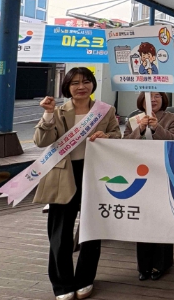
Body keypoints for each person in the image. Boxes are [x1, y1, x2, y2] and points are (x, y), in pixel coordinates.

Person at [34, 67, 121, 300]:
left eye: (86, 81)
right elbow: (41, 141)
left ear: (92, 84)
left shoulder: (105, 111)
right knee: (60, 232)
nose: (81, 87)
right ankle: (62, 284)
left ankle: (85, 279)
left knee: (92, 229)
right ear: (67, 87)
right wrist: (48, 115)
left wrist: (107, 137)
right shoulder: (58, 111)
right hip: (63, 174)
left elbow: (117, 135)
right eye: (75, 83)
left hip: (95, 174)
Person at [124, 92, 174, 282]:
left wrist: (157, 128)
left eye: (157, 96)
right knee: (144, 218)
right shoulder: (133, 119)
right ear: (141, 100)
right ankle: (144, 265)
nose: (153, 100)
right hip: (140, 175)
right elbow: (123, 144)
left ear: (163, 99)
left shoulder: (172, 117)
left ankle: (162, 263)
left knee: (163, 217)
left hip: (164, 172)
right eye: (149, 96)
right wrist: (140, 129)